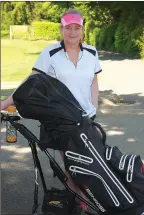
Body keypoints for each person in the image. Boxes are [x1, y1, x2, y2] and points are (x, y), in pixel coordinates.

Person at [1, 8, 102, 212]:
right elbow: (31, 83)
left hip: (86, 118)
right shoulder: (50, 53)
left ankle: (84, 198)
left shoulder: (91, 53)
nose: (72, 32)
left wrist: (94, 106)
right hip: (61, 119)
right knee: (71, 164)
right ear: (61, 29)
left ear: (82, 29)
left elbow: (94, 81)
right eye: (68, 28)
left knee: (90, 161)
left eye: (77, 28)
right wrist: (4, 103)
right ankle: (80, 203)